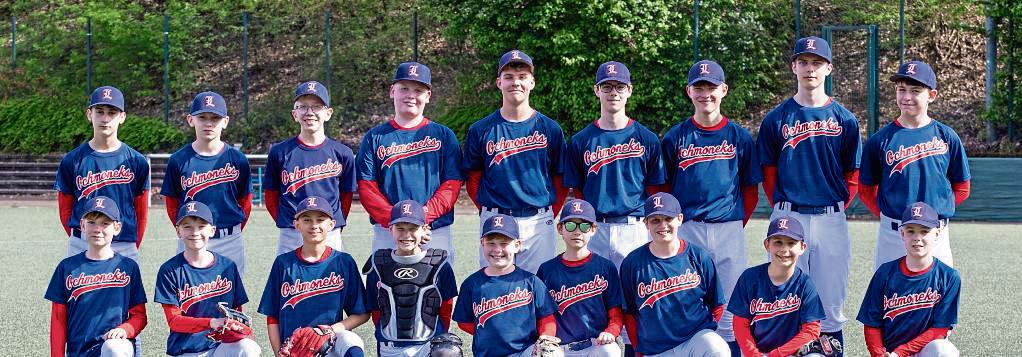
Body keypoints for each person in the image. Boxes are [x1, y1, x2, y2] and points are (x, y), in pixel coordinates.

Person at [755, 36, 862, 351]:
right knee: (785, 296)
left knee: (831, 300)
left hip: (831, 216)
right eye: (803, 62)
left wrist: (837, 204)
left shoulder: (845, 119)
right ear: (794, 67)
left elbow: (852, 174)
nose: (810, 69)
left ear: (828, 68)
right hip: (790, 215)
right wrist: (783, 208)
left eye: (817, 63)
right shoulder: (777, 118)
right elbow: (769, 172)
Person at [661, 60, 762, 347]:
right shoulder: (676, 137)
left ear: (724, 90)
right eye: (699, 87)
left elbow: (749, 189)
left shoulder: (739, 136)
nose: (706, 93)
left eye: (712, 87)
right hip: (688, 228)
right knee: (686, 299)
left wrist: (734, 222)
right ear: (689, 91)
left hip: (728, 227)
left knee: (732, 303)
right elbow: (665, 190)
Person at [463, 49, 568, 273]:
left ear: (532, 82)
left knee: (539, 288)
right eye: (509, 77)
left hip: (538, 221)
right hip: (495, 219)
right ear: (499, 82)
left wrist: (548, 211)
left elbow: (560, 179)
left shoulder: (550, 129)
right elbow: (473, 178)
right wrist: (488, 209)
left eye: (522, 76)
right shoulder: (481, 130)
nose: (515, 82)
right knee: (495, 286)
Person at [859, 60, 971, 269]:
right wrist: (890, 214)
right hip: (894, 234)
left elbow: (962, 188)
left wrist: (935, 213)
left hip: (935, 234)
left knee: (937, 296)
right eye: (901, 90)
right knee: (889, 296)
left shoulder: (946, 137)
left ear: (931, 95)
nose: (907, 97)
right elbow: (865, 191)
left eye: (915, 90)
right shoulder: (879, 140)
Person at [561, 60, 666, 268]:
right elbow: (579, 190)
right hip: (595, 228)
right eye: (606, 87)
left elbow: (655, 189)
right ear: (597, 90)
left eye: (620, 87)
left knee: (633, 294)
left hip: (634, 227)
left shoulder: (647, 138)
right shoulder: (580, 141)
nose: (613, 93)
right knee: (595, 295)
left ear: (629, 91)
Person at [358, 62, 464, 261]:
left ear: (428, 96)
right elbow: (367, 188)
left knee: (438, 290)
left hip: (433, 230)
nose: (411, 95)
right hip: (388, 230)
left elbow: (452, 184)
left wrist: (421, 219)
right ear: (392, 91)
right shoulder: (374, 137)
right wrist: (397, 222)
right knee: (386, 290)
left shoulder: (444, 135)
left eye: (418, 90)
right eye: (404, 88)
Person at [619, 192, 729, 356]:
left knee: (716, 347)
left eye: (668, 218)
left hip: (694, 341)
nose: (662, 225)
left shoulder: (698, 256)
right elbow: (629, 314)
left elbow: (717, 304)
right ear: (646, 223)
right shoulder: (632, 263)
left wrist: (706, 331)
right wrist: (639, 349)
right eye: (655, 220)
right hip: (655, 349)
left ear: (680, 219)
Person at [258, 196, 370, 357]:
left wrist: (331, 330)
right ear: (297, 225)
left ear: (331, 224)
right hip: (295, 349)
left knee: (352, 341)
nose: (314, 225)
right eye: (307, 219)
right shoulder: (283, 263)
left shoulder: (343, 262)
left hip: (331, 343)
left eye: (320, 219)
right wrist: (278, 353)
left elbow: (362, 313)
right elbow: (272, 316)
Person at [55, 86, 150, 262]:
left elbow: (141, 210)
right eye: (100, 111)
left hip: (123, 243)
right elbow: (65, 208)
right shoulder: (72, 160)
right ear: (89, 114)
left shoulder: (137, 162)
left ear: (122, 117)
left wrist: (132, 242)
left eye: (112, 112)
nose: (105, 118)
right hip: (82, 243)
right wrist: (83, 236)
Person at [162, 91, 253, 273]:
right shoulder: (179, 160)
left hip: (229, 240)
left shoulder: (237, 159)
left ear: (225, 122)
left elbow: (245, 201)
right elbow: (172, 204)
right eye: (202, 117)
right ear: (190, 120)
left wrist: (232, 229)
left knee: (230, 298)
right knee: (190, 297)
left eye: (215, 118)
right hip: (191, 238)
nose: (209, 123)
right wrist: (187, 230)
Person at [46, 196, 148, 357]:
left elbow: (139, 316)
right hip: (79, 352)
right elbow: (58, 320)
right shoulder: (67, 267)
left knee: (114, 349)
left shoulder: (128, 267)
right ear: (82, 226)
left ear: (117, 227)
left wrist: (125, 329)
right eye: (91, 222)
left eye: (105, 223)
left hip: (115, 347)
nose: (97, 229)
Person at [154, 201, 260, 356]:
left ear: (212, 230)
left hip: (220, 347)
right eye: (187, 226)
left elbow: (237, 311)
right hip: (186, 350)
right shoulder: (170, 270)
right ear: (178, 231)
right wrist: (211, 323)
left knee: (249, 348)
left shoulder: (227, 267)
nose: (195, 232)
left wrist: (240, 330)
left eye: (201, 226)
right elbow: (174, 321)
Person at [263, 81, 357, 254]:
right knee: (290, 279)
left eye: (317, 107)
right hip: (292, 231)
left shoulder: (343, 153)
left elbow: (346, 195)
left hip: (328, 231)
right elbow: (271, 195)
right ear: (294, 114)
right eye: (303, 107)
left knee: (330, 280)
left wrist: (332, 223)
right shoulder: (279, 152)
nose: (309, 113)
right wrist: (288, 222)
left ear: (328, 113)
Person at [857, 202, 961, 357]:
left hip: (922, 351)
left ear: (937, 234)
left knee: (944, 351)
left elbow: (939, 329)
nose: (917, 238)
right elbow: (872, 324)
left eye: (924, 231)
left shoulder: (949, 277)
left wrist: (900, 353)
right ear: (902, 234)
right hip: (889, 353)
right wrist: (879, 354)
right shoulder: (885, 273)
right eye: (911, 231)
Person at [452, 214, 559, 357]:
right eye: (491, 243)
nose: (497, 249)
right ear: (482, 243)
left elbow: (547, 318)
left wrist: (546, 338)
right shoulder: (472, 284)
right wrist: (491, 333)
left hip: (525, 352)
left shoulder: (531, 281)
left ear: (516, 246)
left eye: (504, 243)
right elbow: (463, 322)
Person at [363, 200, 459, 357]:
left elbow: (446, 307)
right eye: (400, 229)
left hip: (428, 343)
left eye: (413, 228)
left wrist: (439, 336)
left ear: (424, 230)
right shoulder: (378, 264)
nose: (406, 235)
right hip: (390, 345)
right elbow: (376, 308)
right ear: (390, 230)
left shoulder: (440, 264)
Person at [536, 199, 624, 357]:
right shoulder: (547, 269)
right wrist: (546, 337)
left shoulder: (605, 267)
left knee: (610, 351)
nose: (577, 231)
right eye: (570, 225)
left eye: (584, 226)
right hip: (561, 348)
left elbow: (615, 312)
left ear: (593, 229)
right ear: (560, 229)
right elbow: (545, 314)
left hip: (595, 345)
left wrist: (611, 331)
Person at [729, 216, 826, 357]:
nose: (784, 249)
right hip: (756, 352)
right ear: (767, 244)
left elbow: (811, 329)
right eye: (778, 242)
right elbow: (740, 324)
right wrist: (754, 355)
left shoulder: (805, 283)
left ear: (802, 247)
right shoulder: (749, 278)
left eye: (791, 243)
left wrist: (777, 354)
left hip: (791, 352)